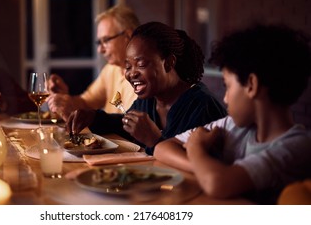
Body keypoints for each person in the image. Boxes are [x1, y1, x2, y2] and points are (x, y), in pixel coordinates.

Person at [154, 23, 311, 204]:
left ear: (251, 85)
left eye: (227, 86)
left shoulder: (298, 146)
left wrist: (196, 148)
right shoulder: (233, 126)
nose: (226, 99)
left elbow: (217, 183)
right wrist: (203, 168)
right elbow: (162, 148)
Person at [67, 21, 227, 155]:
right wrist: (94, 117)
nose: (131, 74)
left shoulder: (202, 107)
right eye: (128, 66)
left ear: (169, 62)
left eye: (141, 64)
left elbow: (197, 166)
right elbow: (124, 125)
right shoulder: (149, 100)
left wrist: (154, 140)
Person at [46, 5, 139, 121]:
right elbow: (86, 103)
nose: (100, 50)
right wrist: (65, 99)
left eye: (106, 40)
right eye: (99, 42)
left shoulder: (143, 77)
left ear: (128, 35)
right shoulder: (110, 69)